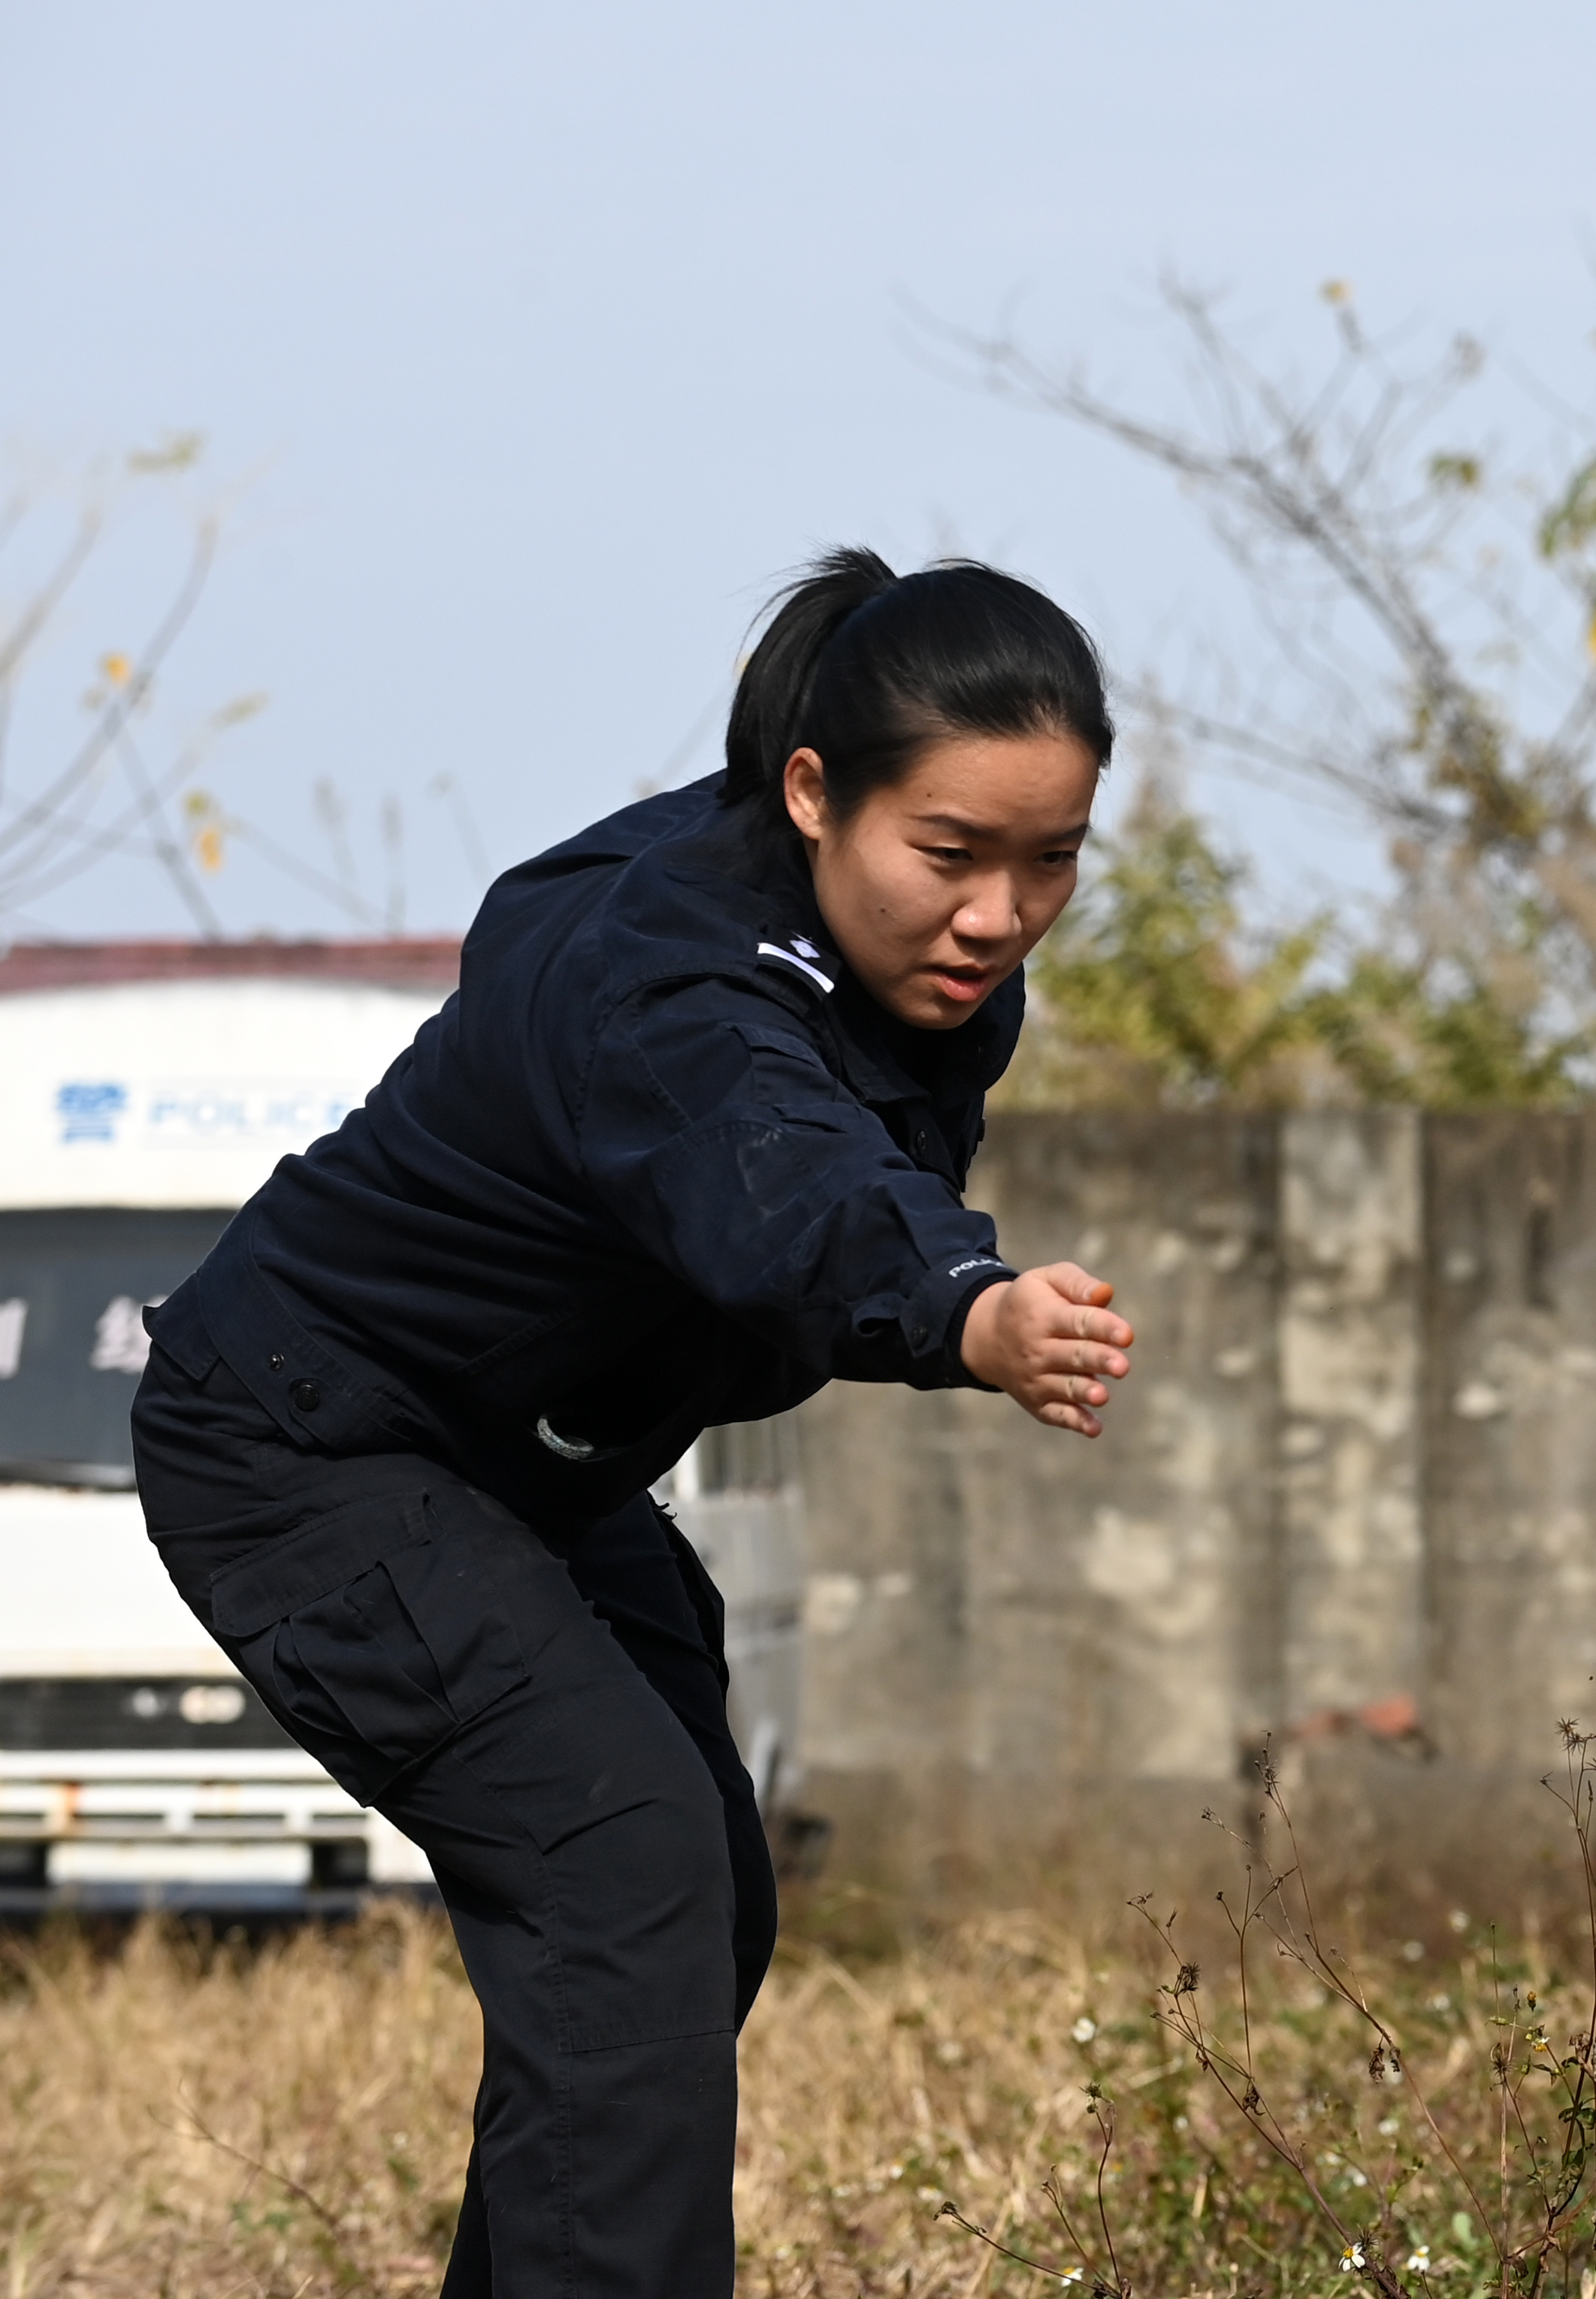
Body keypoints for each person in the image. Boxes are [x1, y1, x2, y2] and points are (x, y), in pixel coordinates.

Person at [128, 548, 1139, 2294]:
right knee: (623, 1871)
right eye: (951, 855)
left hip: (518, 1469)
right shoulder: (672, 982)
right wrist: (966, 1305)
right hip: (309, 1446)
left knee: (692, 1899)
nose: (998, 917)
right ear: (812, 794)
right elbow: (779, 1179)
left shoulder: (908, 964)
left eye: (1051, 861)